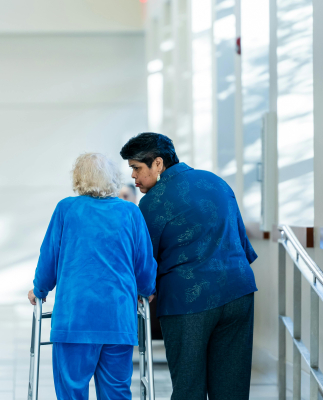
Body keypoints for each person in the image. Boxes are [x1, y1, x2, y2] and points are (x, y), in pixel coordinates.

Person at [120, 133, 258, 400]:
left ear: (158, 164)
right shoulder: (217, 183)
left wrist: (141, 292)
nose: (134, 178)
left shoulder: (152, 201)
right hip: (239, 293)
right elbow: (242, 243)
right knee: (232, 388)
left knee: (188, 388)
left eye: (137, 168)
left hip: (188, 302)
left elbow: (145, 261)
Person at [28, 152, 157, 400]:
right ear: (113, 178)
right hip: (117, 319)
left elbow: (49, 258)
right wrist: (146, 289)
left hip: (75, 318)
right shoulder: (130, 212)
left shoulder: (66, 209)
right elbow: (144, 264)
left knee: (72, 390)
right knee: (116, 392)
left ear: (78, 178)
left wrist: (39, 289)